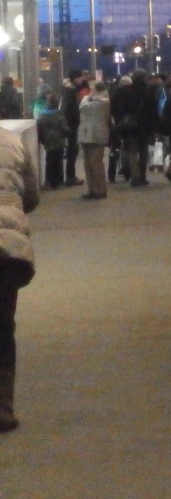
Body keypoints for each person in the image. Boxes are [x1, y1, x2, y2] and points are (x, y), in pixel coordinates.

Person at [0, 123, 39, 431]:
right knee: (3, 327)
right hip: (8, 249)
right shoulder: (13, 142)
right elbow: (32, 195)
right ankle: (4, 408)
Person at [111, 70, 156, 186]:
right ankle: (142, 176)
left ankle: (135, 177)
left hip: (130, 125)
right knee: (143, 150)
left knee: (131, 151)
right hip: (145, 125)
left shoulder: (127, 91)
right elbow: (153, 109)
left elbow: (121, 108)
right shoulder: (149, 90)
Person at [78, 80, 112, 200]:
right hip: (86, 134)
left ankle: (100, 189)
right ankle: (92, 189)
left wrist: (88, 97)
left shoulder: (104, 101)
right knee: (88, 164)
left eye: (91, 88)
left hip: (96, 136)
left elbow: (84, 106)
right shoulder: (92, 99)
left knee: (96, 163)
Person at [60, 69, 87, 187]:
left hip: (69, 124)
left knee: (72, 150)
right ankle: (71, 177)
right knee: (72, 151)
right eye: (80, 77)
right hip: (71, 125)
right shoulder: (71, 91)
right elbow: (69, 109)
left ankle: (70, 176)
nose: (82, 79)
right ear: (75, 78)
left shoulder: (68, 89)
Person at [36, 94, 67, 189]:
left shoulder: (42, 116)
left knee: (49, 162)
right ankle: (58, 182)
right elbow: (64, 128)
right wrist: (66, 134)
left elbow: (39, 129)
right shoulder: (59, 115)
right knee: (58, 162)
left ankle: (48, 181)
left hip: (48, 142)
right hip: (59, 142)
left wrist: (42, 139)